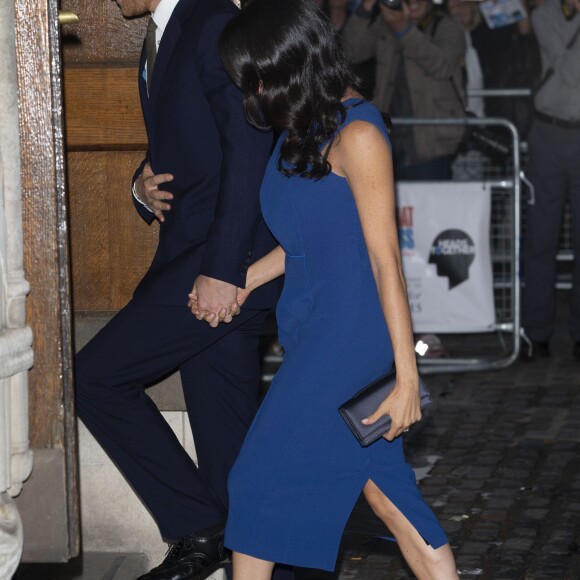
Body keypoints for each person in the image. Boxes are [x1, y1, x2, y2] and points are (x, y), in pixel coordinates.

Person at [206, 1, 459, 577]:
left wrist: (407, 372)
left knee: (256, 480)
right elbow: (304, 243)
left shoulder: (360, 133)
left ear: (296, 61)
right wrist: (242, 281)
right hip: (311, 327)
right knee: (388, 495)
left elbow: (384, 259)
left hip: (349, 340)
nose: (255, 95)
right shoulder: (301, 129)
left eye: (263, 78)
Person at [74, 0, 281, 578]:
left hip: (218, 266)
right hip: (198, 259)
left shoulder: (211, 20)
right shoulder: (168, 29)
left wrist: (224, 271)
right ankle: (244, 550)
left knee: (93, 378)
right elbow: (193, 139)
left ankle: (197, 527)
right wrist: (143, 185)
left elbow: (249, 146)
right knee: (227, 450)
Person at [342, 0, 465, 180]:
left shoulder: (447, 26)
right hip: (389, 141)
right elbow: (348, 52)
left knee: (431, 205)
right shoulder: (385, 25)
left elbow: (441, 65)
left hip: (431, 142)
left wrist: (403, 29)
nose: (413, 2)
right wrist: (366, 7)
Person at [521, 0, 580, 361]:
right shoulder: (545, 15)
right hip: (549, 133)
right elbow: (571, 71)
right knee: (542, 236)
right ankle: (536, 333)